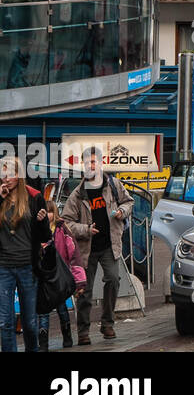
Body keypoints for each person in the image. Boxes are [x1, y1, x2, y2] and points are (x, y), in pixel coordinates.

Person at [62, 147, 132, 344]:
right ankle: (83, 332)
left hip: (110, 244)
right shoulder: (78, 194)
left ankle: (107, 324)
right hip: (86, 249)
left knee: (113, 280)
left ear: (101, 163)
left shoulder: (113, 185)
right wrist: (85, 229)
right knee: (85, 290)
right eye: (87, 163)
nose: (90, 166)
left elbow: (129, 202)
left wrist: (121, 211)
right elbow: (66, 223)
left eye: (93, 162)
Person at [0, 157, 51, 353]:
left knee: (29, 323)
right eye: (3, 173)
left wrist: (42, 221)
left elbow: (46, 236)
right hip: (4, 266)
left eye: (11, 173)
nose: (6, 178)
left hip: (27, 266)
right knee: (5, 322)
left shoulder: (34, 196)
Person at [38, 200, 85, 351]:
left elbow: (73, 252)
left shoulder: (61, 229)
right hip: (43, 277)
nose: (48, 214)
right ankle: (43, 342)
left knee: (62, 308)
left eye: (50, 211)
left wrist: (79, 280)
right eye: (45, 211)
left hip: (59, 276)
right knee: (43, 312)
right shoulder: (37, 229)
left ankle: (67, 336)